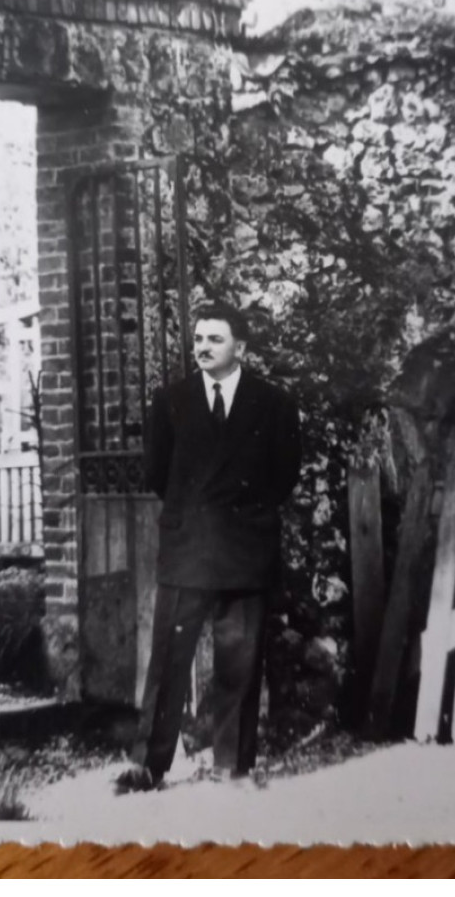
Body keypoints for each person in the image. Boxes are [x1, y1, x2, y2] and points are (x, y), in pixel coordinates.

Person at [115, 301, 302, 792]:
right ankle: (147, 764)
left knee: (239, 662)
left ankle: (233, 767)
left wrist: (245, 515)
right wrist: (195, 515)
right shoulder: (170, 401)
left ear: (240, 347)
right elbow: (158, 474)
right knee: (168, 662)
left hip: (245, 548)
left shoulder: (274, 404)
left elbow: (284, 475)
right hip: (188, 549)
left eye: (214, 339)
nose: (203, 347)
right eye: (198, 339)